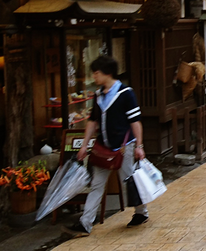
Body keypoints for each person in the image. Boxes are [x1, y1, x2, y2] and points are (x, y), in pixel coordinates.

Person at [63, 55, 148, 237]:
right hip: (104, 147)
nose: (94, 77)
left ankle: (141, 213)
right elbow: (92, 122)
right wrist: (84, 146)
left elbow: (135, 122)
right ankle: (85, 223)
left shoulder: (126, 93)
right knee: (97, 184)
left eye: (96, 73)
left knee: (128, 181)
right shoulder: (98, 95)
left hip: (125, 146)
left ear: (107, 73)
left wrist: (139, 145)